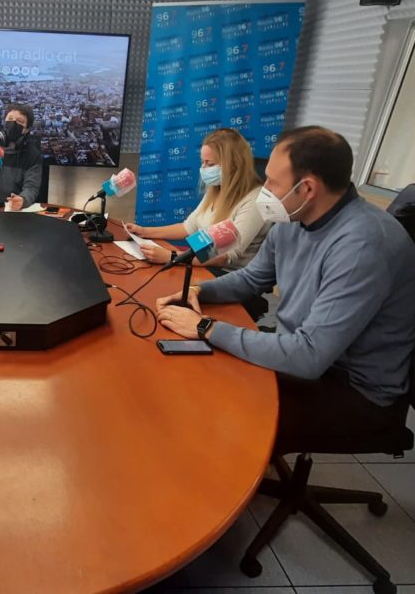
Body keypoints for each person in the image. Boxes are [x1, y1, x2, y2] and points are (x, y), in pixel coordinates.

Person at [156, 126, 415, 454]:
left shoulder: (363, 246)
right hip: (304, 355)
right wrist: (199, 291)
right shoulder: (293, 219)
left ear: (307, 188)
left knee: (215, 411)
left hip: (353, 389)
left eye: (272, 183)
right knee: (199, 375)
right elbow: (251, 279)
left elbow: (308, 357)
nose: (264, 190)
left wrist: (205, 327)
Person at [126, 128, 269, 269]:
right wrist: (144, 231)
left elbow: (226, 257)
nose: (204, 168)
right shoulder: (217, 188)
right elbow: (188, 227)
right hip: (201, 265)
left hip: (227, 276)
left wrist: (171, 257)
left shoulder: (255, 200)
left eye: (210, 164)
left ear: (234, 165)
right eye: (203, 162)